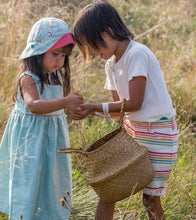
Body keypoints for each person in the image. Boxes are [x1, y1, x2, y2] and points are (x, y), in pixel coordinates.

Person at [71, 1, 178, 220]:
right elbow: (118, 110)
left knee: (150, 198)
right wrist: (89, 111)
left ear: (108, 31)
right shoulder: (110, 64)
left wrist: (92, 107)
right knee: (108, 192)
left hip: (158, 133)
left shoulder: (137, 54)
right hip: (133, 134)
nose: (92, 52)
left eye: (93, 45)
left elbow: (134, 103)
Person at [0, 17, 83, 220]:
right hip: (30, 142)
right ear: (38, 50)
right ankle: (25, 215)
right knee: (29, 180)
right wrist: (65, 102)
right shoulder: (29, 77)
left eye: (63, 56)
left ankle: (48, 214)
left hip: (52, 142)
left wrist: (71, 108)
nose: (60, 60)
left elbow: (54, 107)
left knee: (50, 180)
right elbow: (34, 106)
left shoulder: (55, 76)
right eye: (55, 54)